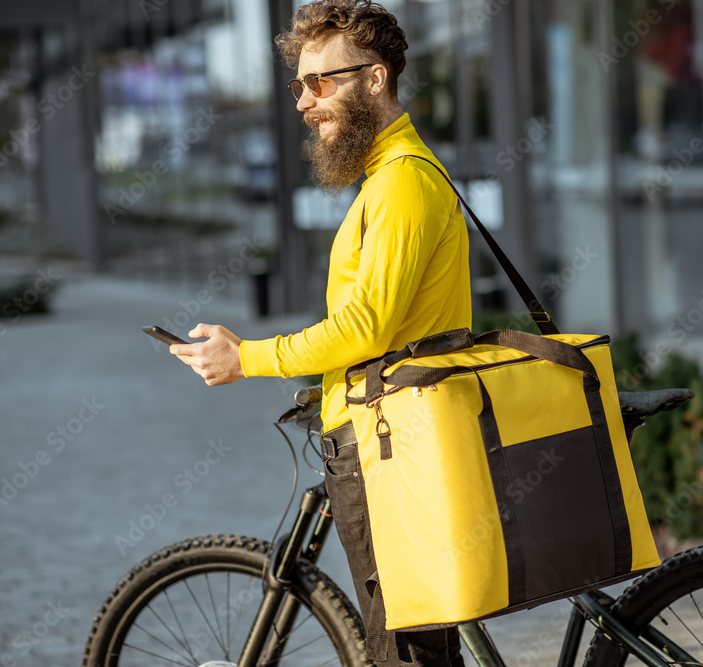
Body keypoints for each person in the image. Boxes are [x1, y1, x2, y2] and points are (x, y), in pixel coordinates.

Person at [170, 1, 470, 664]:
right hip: (378, 438)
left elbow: (363, 328)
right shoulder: (385, 182)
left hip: (392, 450)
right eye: (300, 85)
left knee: (406, 651)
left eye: (322, 82)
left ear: (377, 79)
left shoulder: (402, 186)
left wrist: (246, 357)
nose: (305, 101)